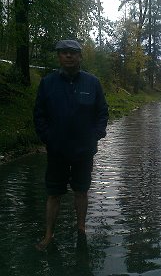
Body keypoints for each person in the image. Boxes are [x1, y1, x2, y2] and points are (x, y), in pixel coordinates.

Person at [33, 39, 109, 250]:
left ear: (80, 57)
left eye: (73, 53)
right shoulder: (47, 83)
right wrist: (48, 138)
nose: (68, 56)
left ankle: (81, 230)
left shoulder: (92, 82)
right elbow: (39, 115)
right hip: (56, 150)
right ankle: (48, 235)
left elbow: (102, 113)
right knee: (53, 193)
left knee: (81, 191)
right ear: (59, 56)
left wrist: (95, 135)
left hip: (84, 151)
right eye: (64, 52)